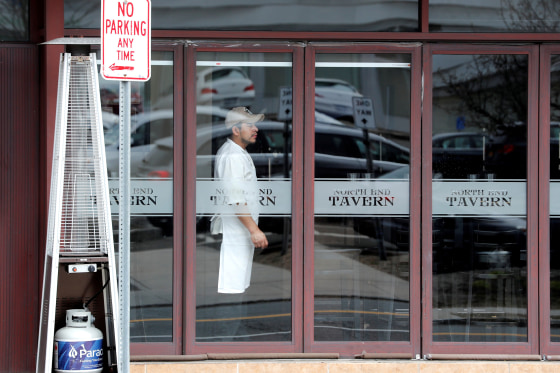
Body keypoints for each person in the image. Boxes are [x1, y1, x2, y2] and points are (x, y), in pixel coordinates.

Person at [213, 107, 269, 296]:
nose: (256, 129)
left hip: (238, 234)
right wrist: (254, 230)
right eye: (250, 125)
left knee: (237, 288)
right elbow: (236, 199)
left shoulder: (237, 152)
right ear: (235, 130)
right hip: (234, 234)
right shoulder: (233, 156)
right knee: (232, 291)